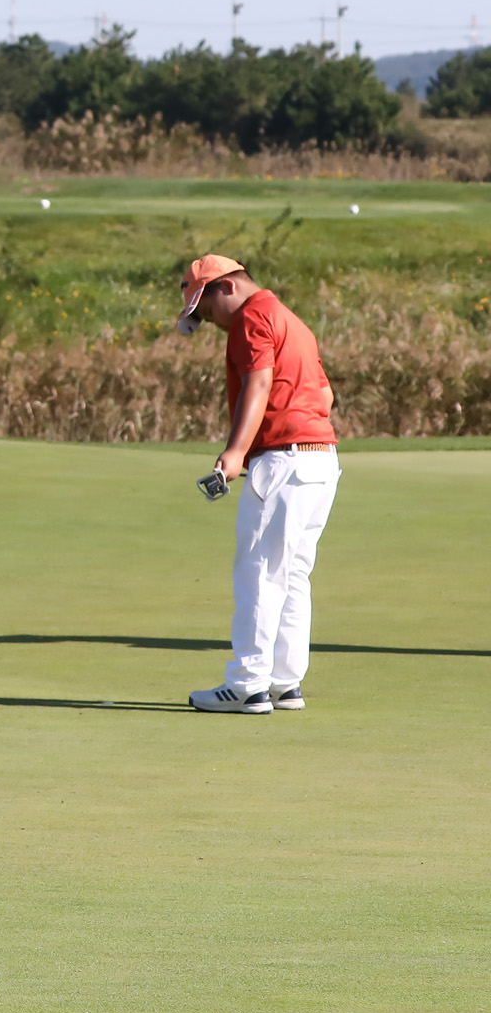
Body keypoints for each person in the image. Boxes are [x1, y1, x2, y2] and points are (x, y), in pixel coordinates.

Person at [176, 253, 340, 715]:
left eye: (207, 312)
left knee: (260, 573)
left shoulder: (251, 318)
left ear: (225, 287)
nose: (211, 324)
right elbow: (325, 395)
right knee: (291, 575)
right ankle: (286, 683)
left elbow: (258, 383)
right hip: (321, 461)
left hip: (284, 463)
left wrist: (234, 452)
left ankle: (248, 683)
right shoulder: (291, 320)